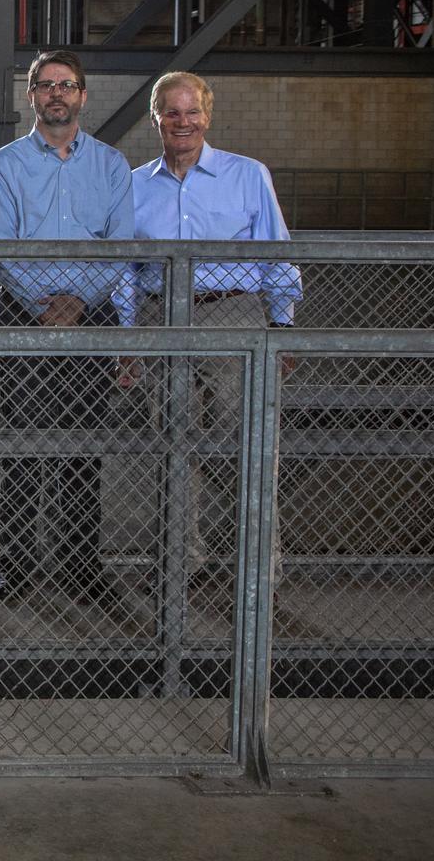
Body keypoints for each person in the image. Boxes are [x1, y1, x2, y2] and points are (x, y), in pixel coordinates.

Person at [116, 71, 300, 582]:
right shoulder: (133, 186)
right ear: (155, 118)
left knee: (249, 446)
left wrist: (282, 325)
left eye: (192, 111)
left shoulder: (248, 176)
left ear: (208, 115)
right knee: (171, 448)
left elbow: (276, 251)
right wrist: (128, 337)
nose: (183, 122)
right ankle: (179, 564)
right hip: (161, 318)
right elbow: (126, 269)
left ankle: (259, 571)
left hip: (233, 316)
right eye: (171, 112)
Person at [0, 50, 134, 603]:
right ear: (31, 96)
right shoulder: (4, 164)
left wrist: (80, 302)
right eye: (45, 85)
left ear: (82, 96)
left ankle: (80, 566)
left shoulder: (111, 165)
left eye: (66, 85)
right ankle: (16, 563)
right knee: (21, 445)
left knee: (83, 447)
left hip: (93, 318)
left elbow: (120, 244)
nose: (55, 94)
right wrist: (43, 304)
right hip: (22, 316)